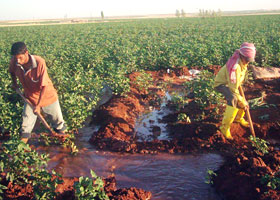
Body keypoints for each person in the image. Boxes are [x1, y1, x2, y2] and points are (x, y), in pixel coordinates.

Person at [9, 42, 67, 143]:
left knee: (58, 123)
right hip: (30, 98)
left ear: (26, 53)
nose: (18, 61)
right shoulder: (14, 61)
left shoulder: (39, 62)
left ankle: (66, 143)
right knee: (25, 126)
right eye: (16, 58)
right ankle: (21, 150)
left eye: (20, 58)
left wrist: (39, 106)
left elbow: (44, 86)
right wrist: (14, 84)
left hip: (48, 96)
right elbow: (11, 71)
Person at [214, 42, 256, 140]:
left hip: (232, 83)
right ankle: (224, 128)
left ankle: (238, 119)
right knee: (234, 99)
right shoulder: (235, 67)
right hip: (222, 84)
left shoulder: (243, 62)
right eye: (248, 60)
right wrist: (242, 101)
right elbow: (233, 89)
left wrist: (242, 100)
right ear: (243, 56)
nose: (249, 62)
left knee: (242, 99)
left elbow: (236, 82)